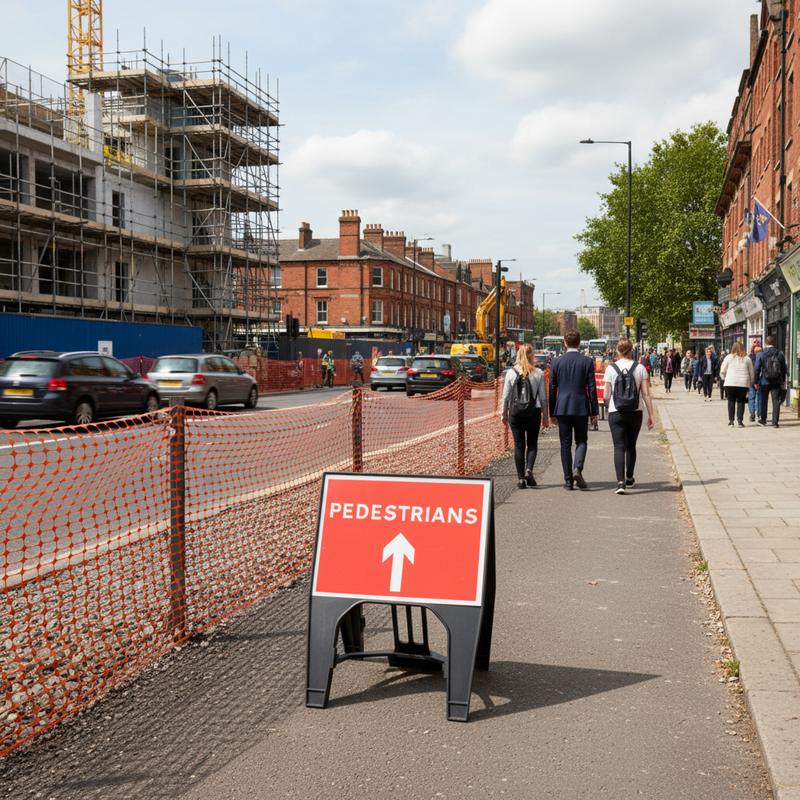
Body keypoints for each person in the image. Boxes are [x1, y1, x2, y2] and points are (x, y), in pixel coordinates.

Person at [549, 328, 599, 490]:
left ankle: (568, 481)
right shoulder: (587, 361)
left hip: (562, 407)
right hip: (581, 406)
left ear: (565, 343)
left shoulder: (556, 362)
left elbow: (552, 388)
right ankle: (577, 468)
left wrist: (552, 411)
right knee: (581, 440)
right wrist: (594, 411)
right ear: (579, 343)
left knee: (565, 444)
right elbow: (592, 388)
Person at [603, 338, 655, 494]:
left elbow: (606, 395)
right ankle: (629, 478)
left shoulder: (611, 368)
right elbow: (646, 393)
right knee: (631, 446)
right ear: (632, 350)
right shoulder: (640, 368)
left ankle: (620, 483)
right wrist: (651, 414)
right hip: (635, 412)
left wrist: (609, 407)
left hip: (616, 412)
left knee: (618, 446)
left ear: (617, 350)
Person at [501, 343, 550, 490]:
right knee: (532, 443)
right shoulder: (538, 373)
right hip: (533, 412)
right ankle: (529, 469)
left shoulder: (511, 373)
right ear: (531, 355)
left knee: (519, 445)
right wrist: (545, 416)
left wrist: (504, 414)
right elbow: (543, 397)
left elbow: (505, 397)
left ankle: (521, 479)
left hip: (516, 413)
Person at [754, 335, 788, 427]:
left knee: (764, 400)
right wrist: (784, 380)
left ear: (766, 343)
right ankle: (775, 422)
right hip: (776, 381)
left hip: (764, 381)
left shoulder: (761, 354)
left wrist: (755, 381)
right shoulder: (780, 353)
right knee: (776, 400)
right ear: (774, 343)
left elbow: (756, 369)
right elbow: (783, 368)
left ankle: (763, 420)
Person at [720, 342, 753, 427]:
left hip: (730, 382)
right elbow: (751, 372)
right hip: (743, 383)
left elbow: (723, 370)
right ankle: (740, 421)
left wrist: (724, 378)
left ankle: (731, 421)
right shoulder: (747, 359)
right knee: (741, 401)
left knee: (731, 401)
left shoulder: (729, 357)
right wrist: (750, 383)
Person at [748, 343, 763, 422]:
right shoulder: (762, 356)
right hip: (756, 379)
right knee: (756, 397)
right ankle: (755, 414)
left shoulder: (750, 357)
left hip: (755, 379)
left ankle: (754, 414)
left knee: (753, 397)